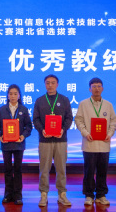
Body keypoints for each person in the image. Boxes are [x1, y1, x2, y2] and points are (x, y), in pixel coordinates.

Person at [75, 77, 116, 206]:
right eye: (94, 86)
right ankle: (88, 195)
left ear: (102, 88)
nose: (96, 89)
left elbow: (113, 121)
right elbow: (78, 120)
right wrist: (85, 133)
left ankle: (101, 194)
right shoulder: (83, 104)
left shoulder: (108, 105)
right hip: (89, 143)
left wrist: (109, 134)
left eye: (99, 86)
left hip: (104, 144)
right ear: (89, 89)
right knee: (89, 171)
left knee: (102, 171)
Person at [33, 74, 73, 207]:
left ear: (57, 84)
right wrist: (42, 130)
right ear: (45, 84)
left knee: (61, 168)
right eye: (47, 83)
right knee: (44, 168)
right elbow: (35, 119)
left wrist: (63, 129)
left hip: (61, 139)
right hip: (44, 139)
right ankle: (43, 194)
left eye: (53, 83)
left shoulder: (64, 99)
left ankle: (62, 194)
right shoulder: (39, 101)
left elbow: (69, 118)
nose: (50, 85)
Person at [0, 84, 33, 205]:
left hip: (18, 144)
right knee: (7, 169)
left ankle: (18, 195)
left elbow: (29, 126)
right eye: (10, 94)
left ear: (19, 95)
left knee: (18, 169)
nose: (13, 96)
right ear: (7, 95)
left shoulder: (23, 109)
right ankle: (8, 194)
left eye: (15, 94)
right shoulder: (2, 109)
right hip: (6, 144)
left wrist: (23, 136)